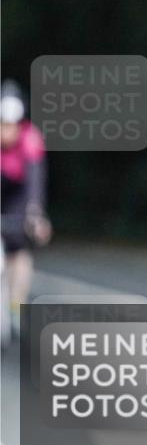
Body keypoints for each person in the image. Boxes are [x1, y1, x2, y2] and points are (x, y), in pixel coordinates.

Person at [1, 80, 52, 329]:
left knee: (19, 249)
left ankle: (15, 304)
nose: (5, 131)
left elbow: (35, 182)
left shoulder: (30, 137)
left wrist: (35, 215)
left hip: (18, 196)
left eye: (10, 126)